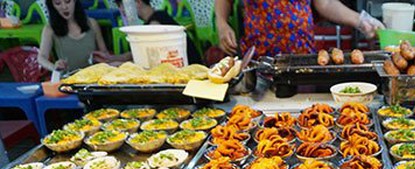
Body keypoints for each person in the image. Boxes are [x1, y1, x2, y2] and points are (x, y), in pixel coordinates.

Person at [214, 0, 384, 57]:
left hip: (300, 57)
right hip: (258, 56)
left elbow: (325, 3)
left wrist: (361, 20)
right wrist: (221, 23)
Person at [98, 0, 202, 64]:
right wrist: (111, 58)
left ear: (137, 2)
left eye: (122, 5)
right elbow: (140, 52)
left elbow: (151, 59)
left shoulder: (155, 24)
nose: (122, 11)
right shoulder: (154, 20)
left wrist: (120, 65)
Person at [38, 0, 109, 72]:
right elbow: (41, 57)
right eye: (58, 3)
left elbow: (105, 54)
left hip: (94, 76)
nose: (64, 7)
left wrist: (100, 59)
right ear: (52, 6)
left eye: (68, 1)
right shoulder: (50, 29)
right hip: (69, 78)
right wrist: (54, 67)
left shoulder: (92, 23)